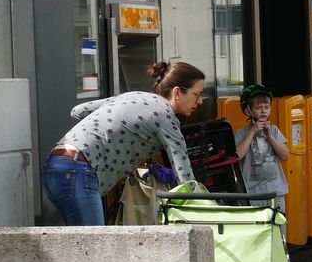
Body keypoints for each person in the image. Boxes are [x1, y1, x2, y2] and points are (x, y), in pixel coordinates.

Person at [42, 60, 203, 225]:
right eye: (196, 94)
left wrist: (117, 131)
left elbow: (78, 111)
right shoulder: (166, 116)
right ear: (177, 92)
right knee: (93, 246)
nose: (200, 101)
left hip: (55, 165)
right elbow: (184, 175)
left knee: (81, 243)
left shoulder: (133, 96)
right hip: (78, 171)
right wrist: (203, 210)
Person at [234, 84, 291, 211]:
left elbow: (285, 155)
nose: (264, 111)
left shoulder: (274, 130)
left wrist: (269, 136)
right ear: (248, 111)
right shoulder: (242, 133)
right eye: (258, 107)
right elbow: (237, 155)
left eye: (267, 107)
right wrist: (252, 132)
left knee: (278, 227)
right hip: (252, 194)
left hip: (275, 193)